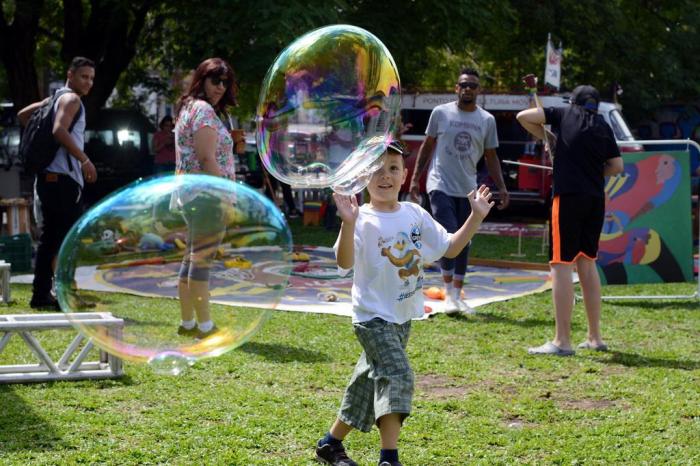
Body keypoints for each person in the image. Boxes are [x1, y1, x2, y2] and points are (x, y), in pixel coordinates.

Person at [315, 141, 494, 466]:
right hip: (372, 318)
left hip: (402, 317)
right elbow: (344, 262)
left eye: (393, 169)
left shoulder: (414, 213)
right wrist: (347, 222)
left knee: (367, 382)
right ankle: (389, 458)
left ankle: (330, 443)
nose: (385, 176)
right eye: (377, 170)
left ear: (405, 174)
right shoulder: (361, 218)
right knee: (397, 375)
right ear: (362, 178)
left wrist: (475, 217)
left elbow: (450, 248)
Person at [516, 84, 624, 356]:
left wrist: (549, 137)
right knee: (587, 264)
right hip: (595, 200)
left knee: (561, 265)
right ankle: (595, 337)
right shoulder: (602, 125)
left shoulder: (564, 113)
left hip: (567, 198)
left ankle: (562, 341)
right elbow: (617, 166)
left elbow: (523, 117)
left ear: (574, 102)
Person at [408, 68, 510, 315]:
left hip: (468, 188)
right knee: (449, 234)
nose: (468, 89)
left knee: (465, 240)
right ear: (456, 88)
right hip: (439, 184)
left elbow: (492, 156)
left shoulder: (486, 120)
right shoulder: (440, 113)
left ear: (479, 90)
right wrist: (414, 179)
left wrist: (502, 188)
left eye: (473, 85)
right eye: (463, 85)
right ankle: (448, 291)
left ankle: (455, 294)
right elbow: (427, 146)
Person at [17, 56, 98, 310]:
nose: (88, 82)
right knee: (63, 241)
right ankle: (57, 295)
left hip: (49, 181)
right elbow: (59, 130)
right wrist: (84, 160)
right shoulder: (71, 99)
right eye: (84, 76)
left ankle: (45, 294)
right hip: (62, 182)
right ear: (70, 74)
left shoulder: (55, 99)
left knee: (52, 240)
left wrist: (45, 106)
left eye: (92, 78)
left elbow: (22, 116)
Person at [173, 57, 239, 339]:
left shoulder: (190, 108)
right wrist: (225, 195)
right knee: (201, 261)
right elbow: (206, 157)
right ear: (202, 80)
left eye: (225, 82)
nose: (221, 87)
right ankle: (205, 327)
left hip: (192, 195)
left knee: (191, 258)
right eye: (215, 80)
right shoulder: (203, 110)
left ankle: (188, 323)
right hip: (207, 197)